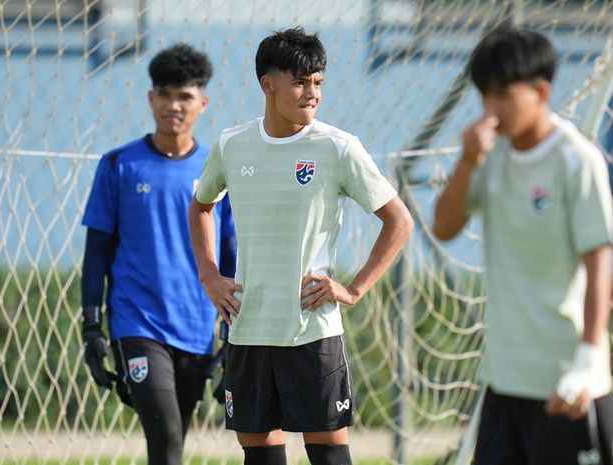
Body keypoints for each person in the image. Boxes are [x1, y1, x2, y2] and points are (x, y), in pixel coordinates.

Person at [189, 27, 413, 465]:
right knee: (261, 455)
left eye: (318, 83)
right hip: (249, 328)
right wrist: (210, 276)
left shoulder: (338, 147)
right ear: (267, 84)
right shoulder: (232, 145)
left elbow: (398, 221)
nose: (311, 93)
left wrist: (354, 288)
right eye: (299, 81)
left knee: (329, 455)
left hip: (312, 328)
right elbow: (201, 206)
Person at [432, 27, 613, 465]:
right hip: (503, 383)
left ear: (542, 91)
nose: (491, 110)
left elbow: (600, 260)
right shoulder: (490, 155)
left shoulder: (576, 159)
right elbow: (444, 227)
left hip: (565, 385)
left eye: (503, 96)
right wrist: (467, 160)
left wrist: (590, 356)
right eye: (484, 97)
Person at [80, 43, 236, 465]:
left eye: (184, 96)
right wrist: (92, 327)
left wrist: (233, 335)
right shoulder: (118, 166)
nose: (173, 105)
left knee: (170, 446)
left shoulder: (218, 171)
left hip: (196, 328)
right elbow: (96, 253)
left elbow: (232, 256)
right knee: (166, 436)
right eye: (164, 94)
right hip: (138, 325)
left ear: (202, 102)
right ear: (151, 98)